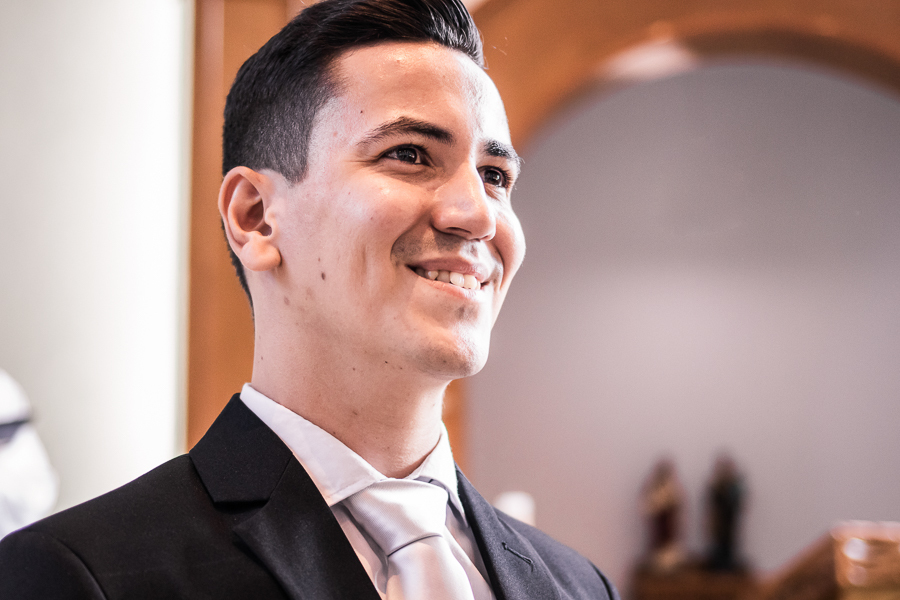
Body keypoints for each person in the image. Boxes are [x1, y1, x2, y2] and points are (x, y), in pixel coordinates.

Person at [0, 1, 618, 598]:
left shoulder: (579, 586)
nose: (477, 214)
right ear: (257, 217)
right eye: (410, 154)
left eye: (495, 176)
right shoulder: (81, 575)